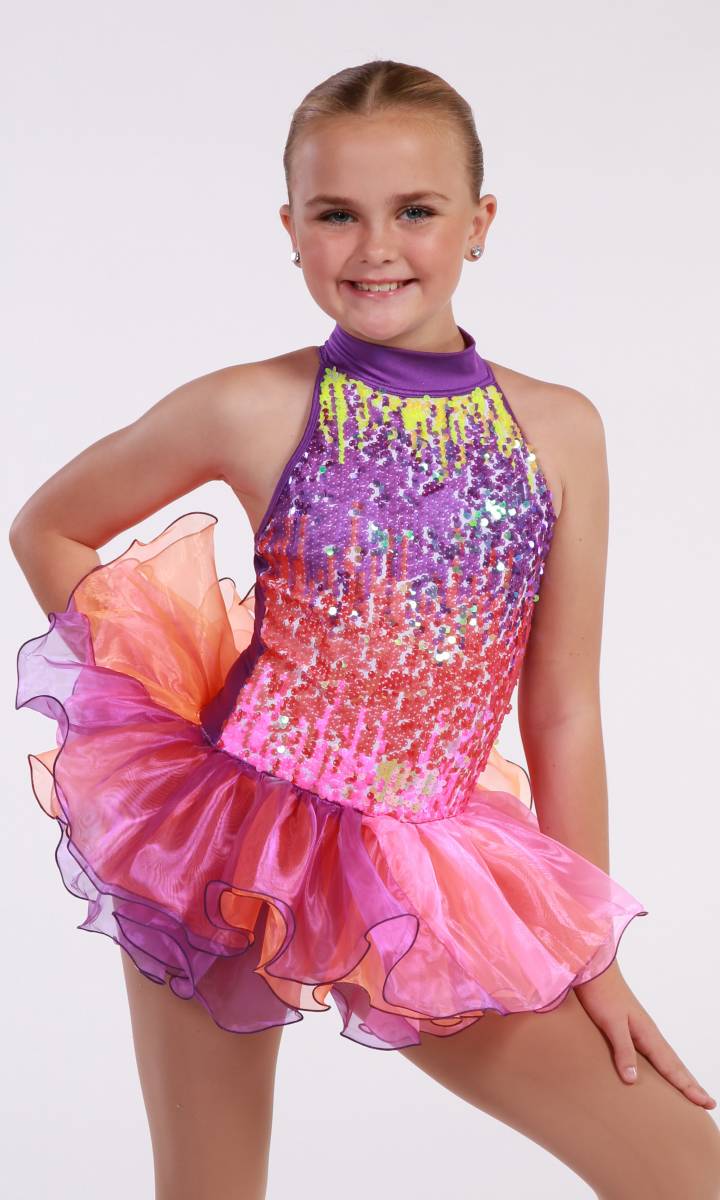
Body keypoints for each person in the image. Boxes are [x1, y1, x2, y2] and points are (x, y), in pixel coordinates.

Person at [10, 57, 720, 1200]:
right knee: (206, 1189)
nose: (374, 246)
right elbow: (48, 527)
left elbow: (563, 708)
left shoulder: (560, 433)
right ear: (290, 228)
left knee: (685, 1171)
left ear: (480, 224)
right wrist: (142, 712)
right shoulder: (251, 406)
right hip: (222, 844)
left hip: (423, 860)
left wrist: (586, 949)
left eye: (416, 211)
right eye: (336, 213)